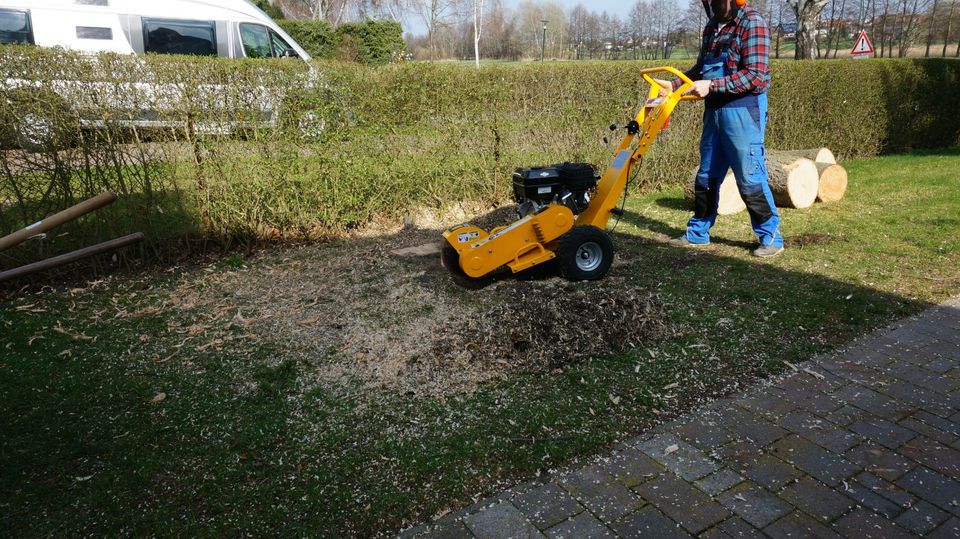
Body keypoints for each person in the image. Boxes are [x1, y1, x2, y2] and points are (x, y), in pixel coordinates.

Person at [656, 0, 784, 257]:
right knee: (706, 177)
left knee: (750, 179)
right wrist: (674, 84)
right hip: (714, 112)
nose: (712, 4)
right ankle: (698, 233)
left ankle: (771, 237)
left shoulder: (752, 23)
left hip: (744, 111)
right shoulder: (712, 27)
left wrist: (712, 86)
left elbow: (755, 75)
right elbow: (699, 70)